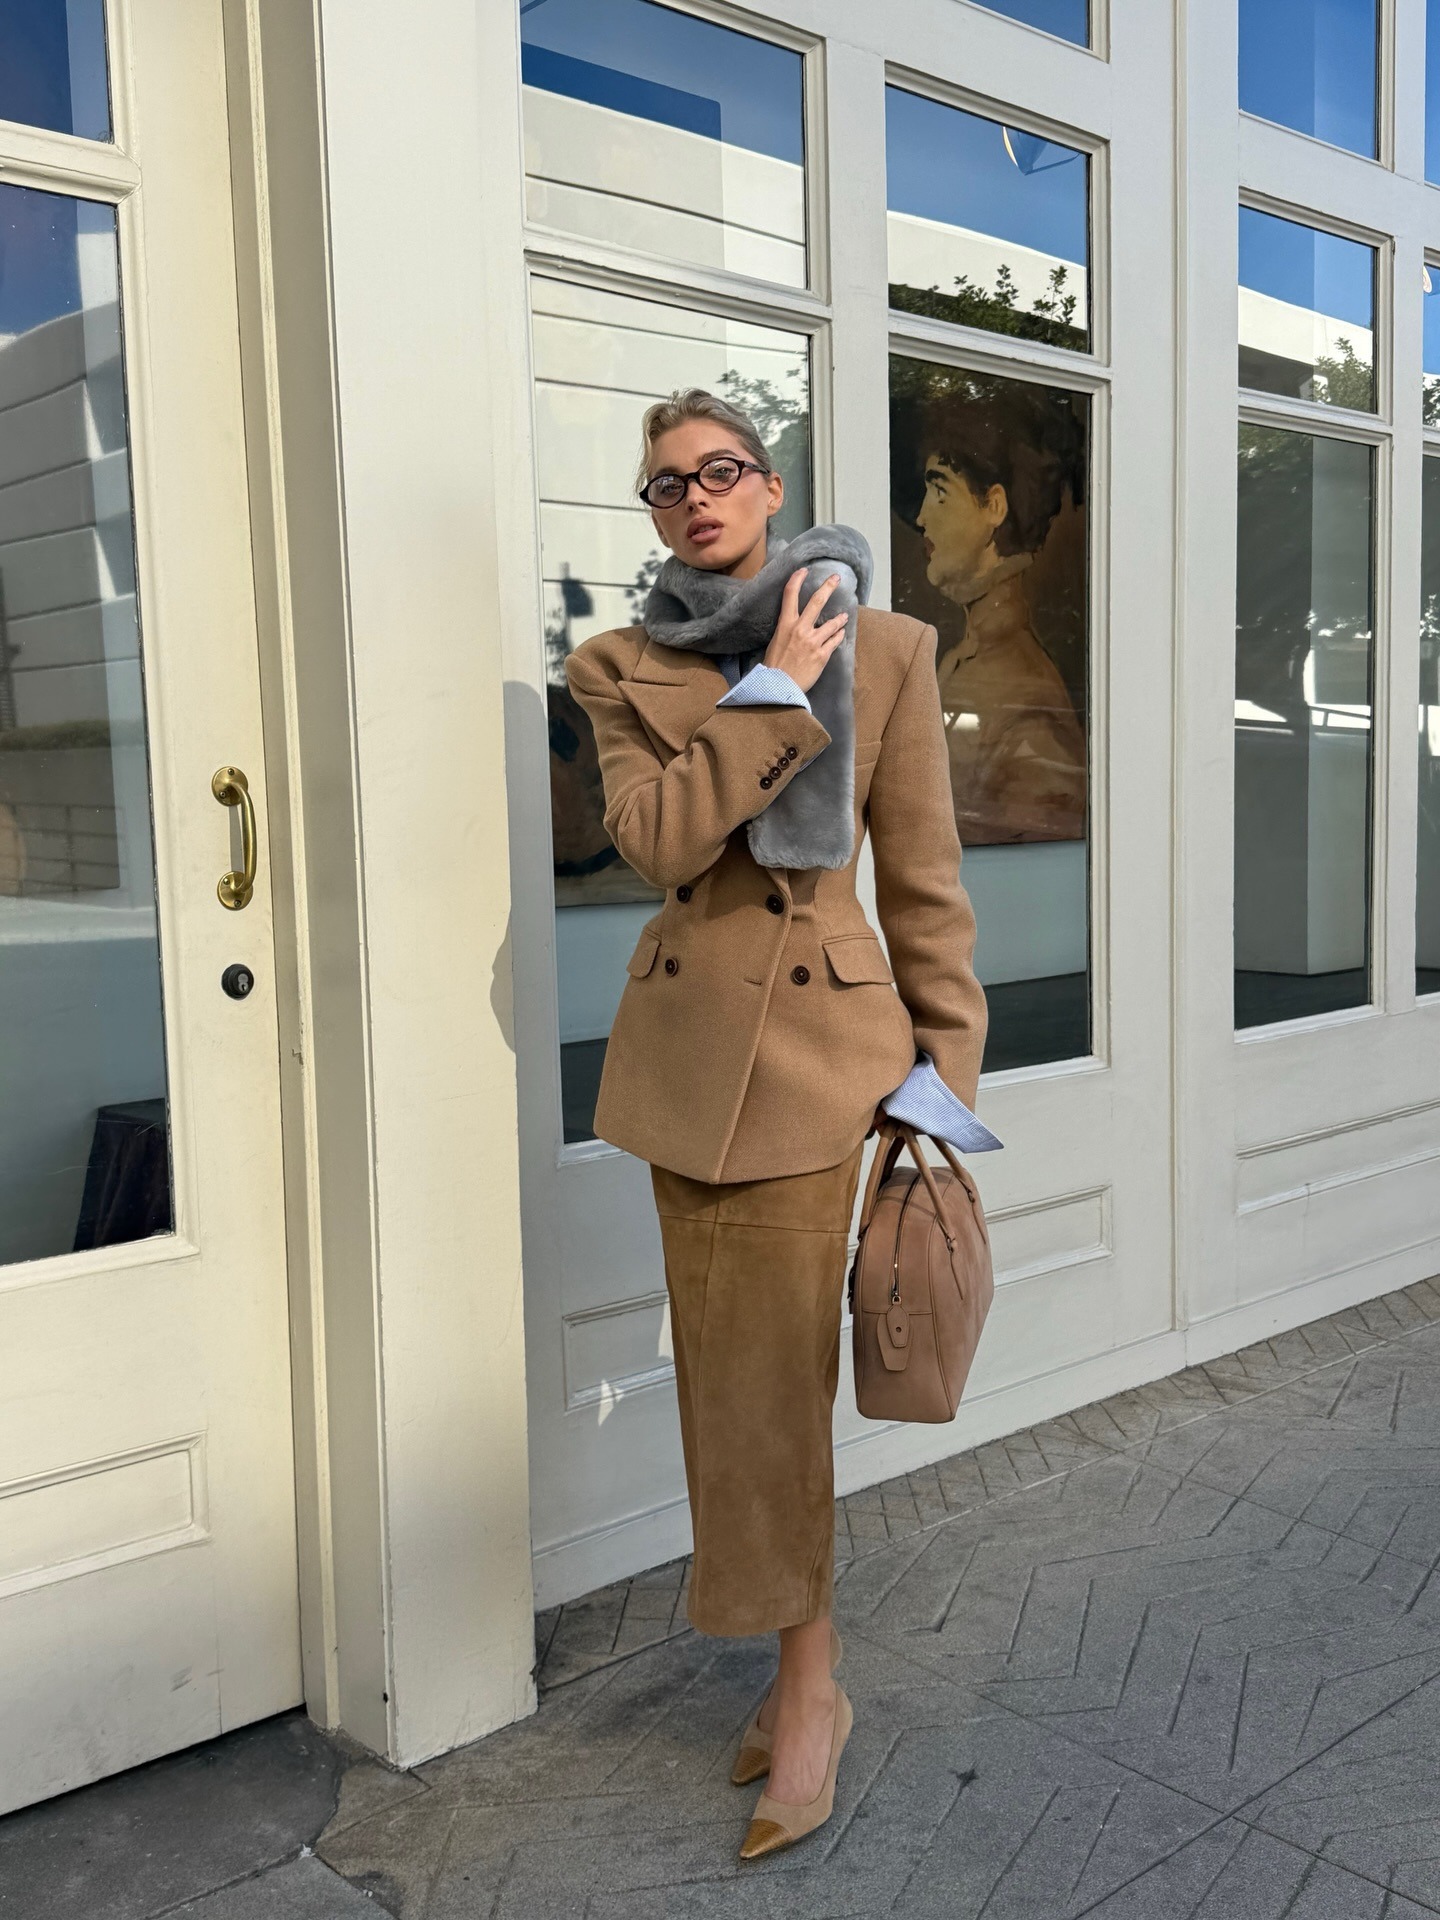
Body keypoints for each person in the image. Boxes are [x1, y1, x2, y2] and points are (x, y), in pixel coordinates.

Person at [564, 389, 996, 1860]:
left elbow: (924, 879)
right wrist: (772, 691)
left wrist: (947, 1079)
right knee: (739, 1383)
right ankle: (799, 1674)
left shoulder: (890, 648)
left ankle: (808, 1690)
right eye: (665, 484)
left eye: (720, 470)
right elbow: (656, 842)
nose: (695, 497)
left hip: (823, 1061)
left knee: (764, 1387)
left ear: (770, 484)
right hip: (691, 1069)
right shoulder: (617, 664)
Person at [915, 394, 1087, 844]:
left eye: (940, 492)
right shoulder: (963, 658)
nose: (921, 517)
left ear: (994, 506)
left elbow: (1037, 858)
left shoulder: (1025, 696)